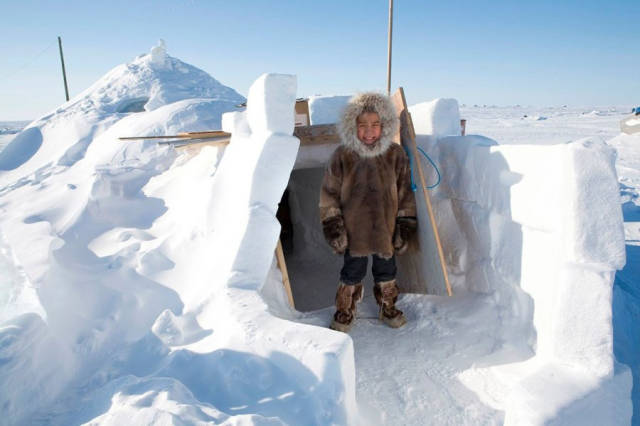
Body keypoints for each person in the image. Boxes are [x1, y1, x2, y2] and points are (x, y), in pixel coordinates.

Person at [319, 92, 417, 332]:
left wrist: (405, 224)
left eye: (375, 125)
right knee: (352, 270)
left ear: (384, 126)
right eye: (363, 125)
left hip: (387, 228)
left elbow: (405, 192)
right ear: (353, 126)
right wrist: (334, 227)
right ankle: (345, 309)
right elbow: (328, 194)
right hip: (354, 232)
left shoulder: (396, 154)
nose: (369, 131)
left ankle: (388, 306)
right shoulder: (342, 155)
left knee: (387, 270)